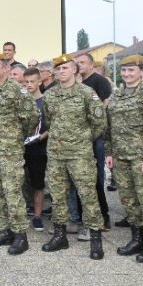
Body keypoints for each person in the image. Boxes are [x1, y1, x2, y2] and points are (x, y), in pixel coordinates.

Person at [42, 54, 107, 259]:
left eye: (65, 68)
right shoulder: (50, 95)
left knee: (88, 195)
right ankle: (60, 235)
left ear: (74, 70)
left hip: (80, 154)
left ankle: (96, 239)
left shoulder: (87, 93)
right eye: (58, 69)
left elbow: (99, 123)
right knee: (58, 196)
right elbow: (49, 121)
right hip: (56, 154)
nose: (61, 72)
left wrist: (83, 138)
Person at [105, 55, 143, 263]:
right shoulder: (116, 96)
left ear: (141, 72)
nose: (127, 74)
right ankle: (137, 239)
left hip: (141, 157)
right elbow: (109, 127)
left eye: (131, 70)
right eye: (124, 71)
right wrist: (109, 152)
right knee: (129, 201)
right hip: (121, 157)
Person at [0, 54, 37, 254]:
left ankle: (21, 235)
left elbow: (31, 117)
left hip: (9, 151)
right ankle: (4, 230)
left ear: (6, 69)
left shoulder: (16, 90)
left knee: (12, 193)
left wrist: (16, 136)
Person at [76, 53, 113, 231]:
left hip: (96, 137)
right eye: (78, 63)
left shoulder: (99, 81)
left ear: (91, 64)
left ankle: (103, 217)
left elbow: (105, 105)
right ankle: (85, 215)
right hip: (80, 139)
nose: (80, 65)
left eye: (83, 63)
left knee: (96, 179)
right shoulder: (78, 83)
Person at [23, 67, 49, 232]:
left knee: (37, 184)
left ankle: (38, 217)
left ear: (40, 81)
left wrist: (42, 136)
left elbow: (53, 125)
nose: (29, 84)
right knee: (18, 182)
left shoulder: (46, 101)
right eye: (26, 82)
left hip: (39, 147)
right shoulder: (21, 101)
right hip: (20, 147)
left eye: (33, 81)